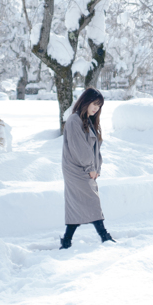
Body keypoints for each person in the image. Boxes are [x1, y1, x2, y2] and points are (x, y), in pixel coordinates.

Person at [59, 88, 115, 249]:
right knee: (91, 201)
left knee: (78, 203)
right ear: (85, 101)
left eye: (99, 105)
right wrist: (91, 167)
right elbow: (81, 149)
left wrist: (96, 168)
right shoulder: (74, 121)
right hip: (77, 169)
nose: (96, 108)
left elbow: (95, 148)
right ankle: (104, 236)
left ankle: (67, 240)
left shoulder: (87, 120)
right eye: (94, 104)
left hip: (85, 168)